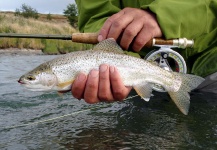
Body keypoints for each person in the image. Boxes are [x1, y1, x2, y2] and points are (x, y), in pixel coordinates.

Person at [72, 0, 217, 103]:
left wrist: (163, 17)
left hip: (212, 61)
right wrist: (119, 71)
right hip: (143, 76)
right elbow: (96, 16)